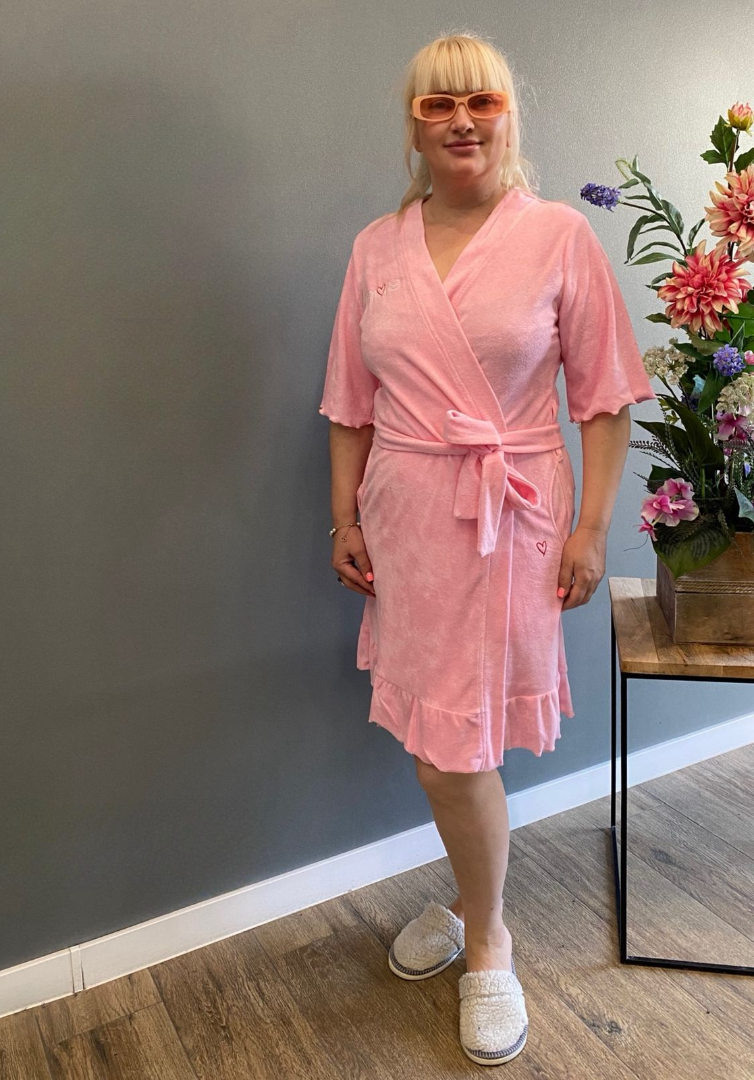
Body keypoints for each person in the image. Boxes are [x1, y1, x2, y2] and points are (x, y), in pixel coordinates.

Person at [318, 31, 656, 1066]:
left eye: (482, 101)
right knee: (444, 743)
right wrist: (344, 516)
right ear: (414, 125)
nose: (461, 120)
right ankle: (476, 902)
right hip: (408, 512)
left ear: (509, 116)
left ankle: (489, 939)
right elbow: (349, 403)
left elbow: (604, 399)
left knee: (457, 750)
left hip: (514, 514)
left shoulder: (559, 237)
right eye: (438, 104)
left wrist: (591, 527)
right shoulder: (377, 248)